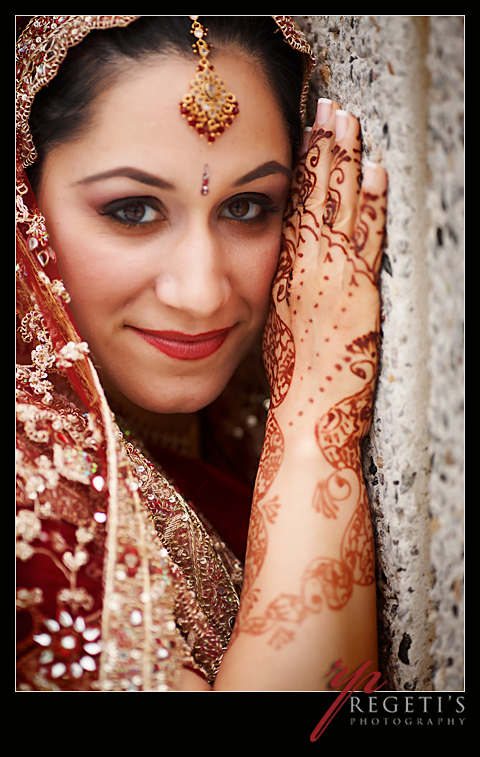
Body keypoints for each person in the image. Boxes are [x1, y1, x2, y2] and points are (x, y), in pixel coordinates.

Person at [16, 15, 388, 691]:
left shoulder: (232, 416)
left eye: (247, 207)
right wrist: (315, 424)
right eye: (133, 210)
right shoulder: (31, 501)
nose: (200, 293)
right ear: (26, 204)